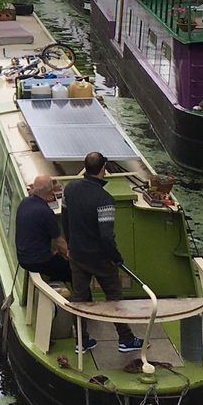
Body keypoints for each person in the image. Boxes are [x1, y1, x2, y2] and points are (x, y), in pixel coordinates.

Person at [62, 151, 142, 353]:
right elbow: (106, 236)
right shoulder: (104, 199)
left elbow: (65, 218)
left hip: (78, 255)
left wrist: (71, 245)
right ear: (103, 169)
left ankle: (81, 341)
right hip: (100, 259)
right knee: (115, 297)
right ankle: (125, 339)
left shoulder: (69, 189)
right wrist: (115, 258)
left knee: (79, 299)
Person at [15, 176, 71, 282]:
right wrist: (70, 256)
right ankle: (80, 296)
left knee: (57, 260)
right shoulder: (46, 213)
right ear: (50, 191)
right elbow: (59, 242)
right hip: (37, 260)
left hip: (22, 257)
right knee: (71, 270)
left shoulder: (24, 203)